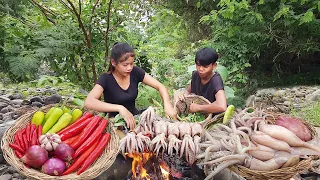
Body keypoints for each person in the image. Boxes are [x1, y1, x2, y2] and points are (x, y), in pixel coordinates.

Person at [84, 42, 177, 130]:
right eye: (125, 65)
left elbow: (160, 87)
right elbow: (89, 102)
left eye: (131, 63)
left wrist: (167, 105)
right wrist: (120, 108)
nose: (129, 68)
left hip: (134, 119)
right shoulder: (106, 79)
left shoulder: (135, 72)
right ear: (113, 62)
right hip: (114, 124)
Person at [178, 47, 227, 115]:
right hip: (199, 115)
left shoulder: (215, 81)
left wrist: (198, 108)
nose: (200, 69)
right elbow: (188, 90)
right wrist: (184, 95)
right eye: (198, 65)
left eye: (205, 66)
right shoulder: (196, 75)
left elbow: (222, 106)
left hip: (214, 117)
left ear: (214, 66)